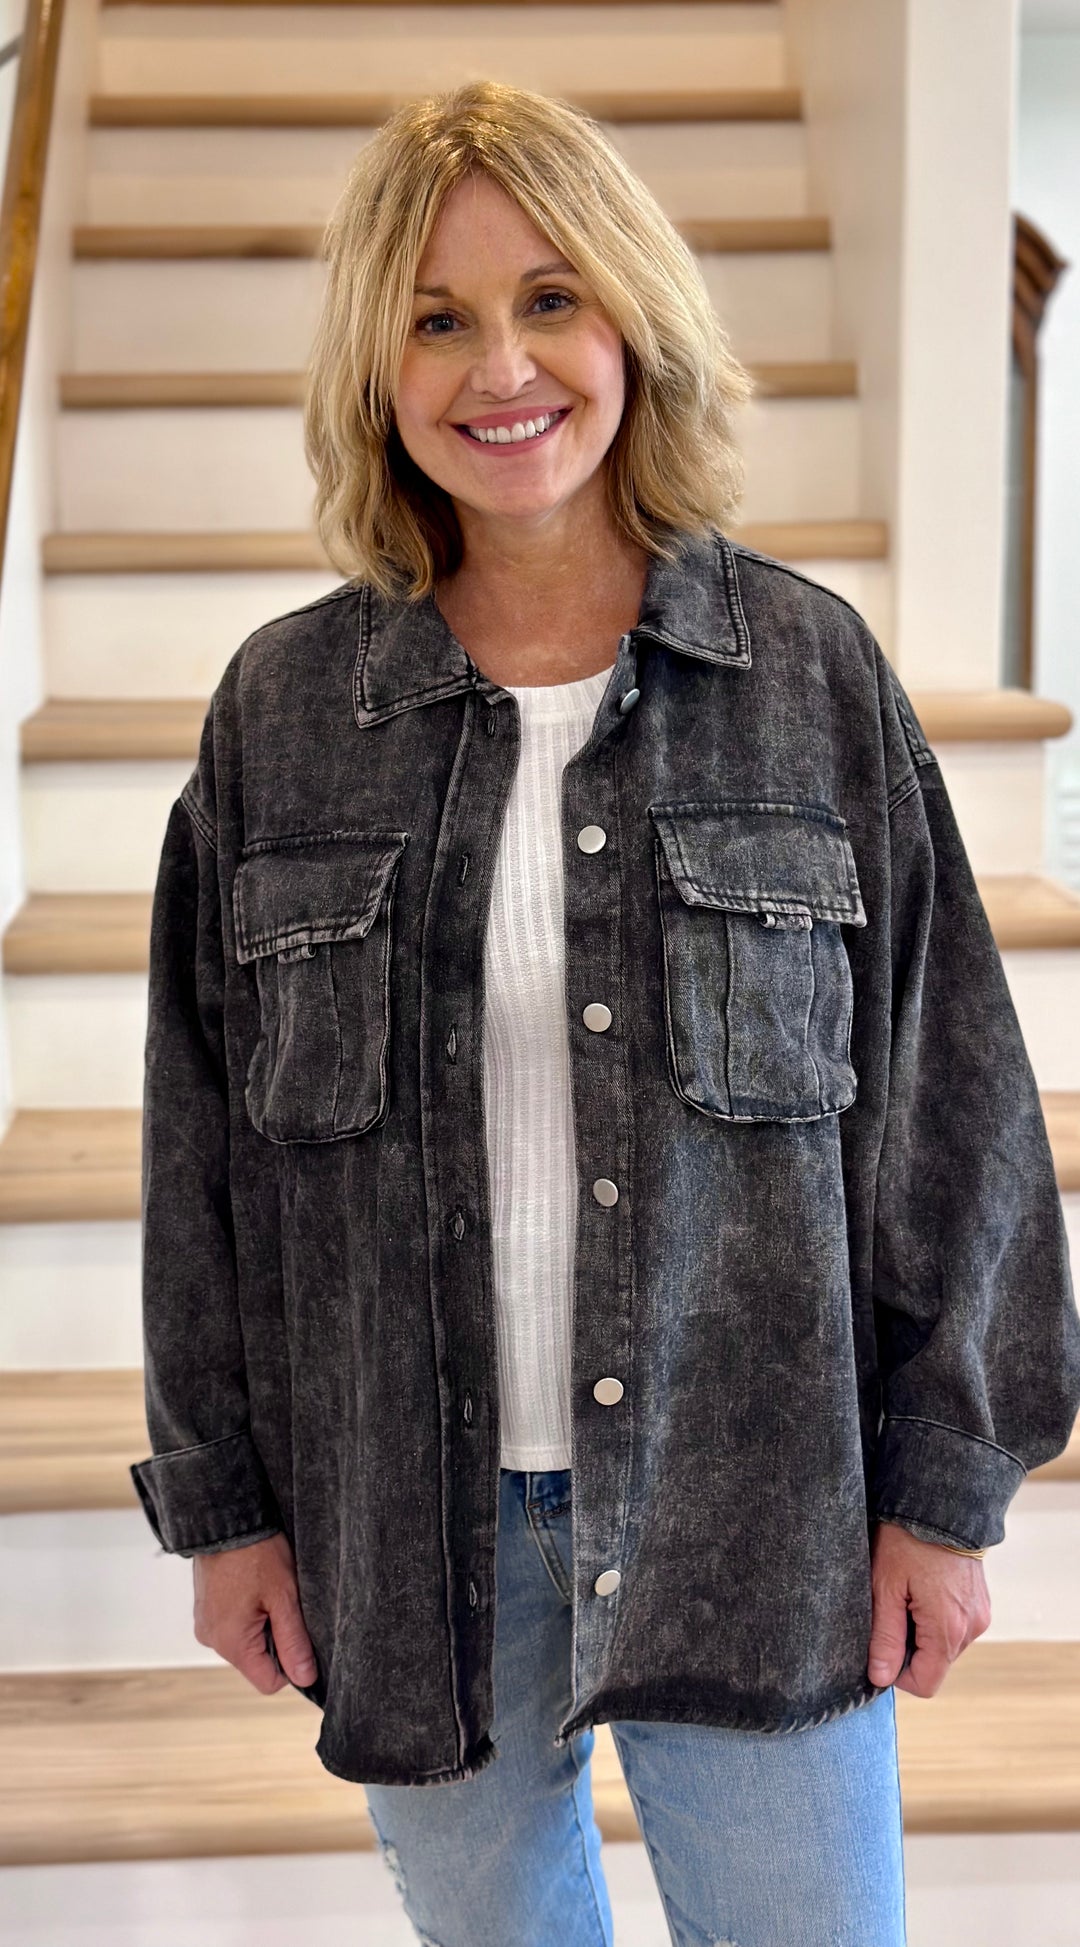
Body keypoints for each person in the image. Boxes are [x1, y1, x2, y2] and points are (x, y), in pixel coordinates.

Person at [130, 81, 1080, 1947]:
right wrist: (226, 1505)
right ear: (378, 367)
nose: (503, 368)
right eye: (438, 317)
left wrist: (948, 1488)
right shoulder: (283, 718)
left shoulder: (808, 677)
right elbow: (199, 1149)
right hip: (410, 1535)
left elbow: (950, 1107)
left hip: (763, 1505)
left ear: (635, 315)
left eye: (551, 298)